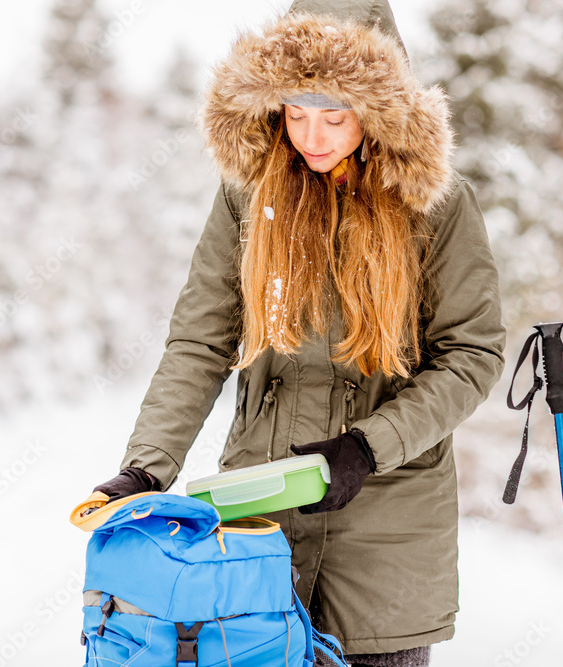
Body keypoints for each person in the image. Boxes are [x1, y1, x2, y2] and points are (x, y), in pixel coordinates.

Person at [93, 1, 506, 665]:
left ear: (377, 108)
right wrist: (145, 466)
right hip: (259, 534)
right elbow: (201, 341)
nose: (312, 135)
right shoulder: (248, 195)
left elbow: (472, 354)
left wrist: (369, 447)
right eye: (295, 111)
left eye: (334, 114)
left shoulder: (436, 202)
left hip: (386, 540)